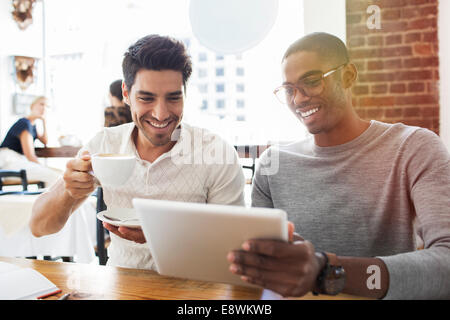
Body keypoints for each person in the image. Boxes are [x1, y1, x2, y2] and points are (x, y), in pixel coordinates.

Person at [227, 32, 450, 299]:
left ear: (348, 76)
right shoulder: (273, 165)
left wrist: (326, 271)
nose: (298, 100)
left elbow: (446, 265)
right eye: (289, 90)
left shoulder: (413, 147)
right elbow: (258, 267)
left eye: (311, 81)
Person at [30, 34, 245, 269]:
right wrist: (68, 190)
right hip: (121, 285)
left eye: (174, 98)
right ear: (126, 93)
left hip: (195, 286)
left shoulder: (215, 152)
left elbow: (234, 248)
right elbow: (39, 227)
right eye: (146, 98)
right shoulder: (104, 146)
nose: (161, 114)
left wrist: (165, 236)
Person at [0, 96, 60, 186]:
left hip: (16, 159)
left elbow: (45, 141)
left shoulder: (33, 126)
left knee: (58, 174)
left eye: (47, 106)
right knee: (54, 175)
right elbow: (30, 156)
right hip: (8, 160)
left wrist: (44, 122)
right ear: (32, 106)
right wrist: (43, 167)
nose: (44, 108)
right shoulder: (24, 123)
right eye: (41, 104)